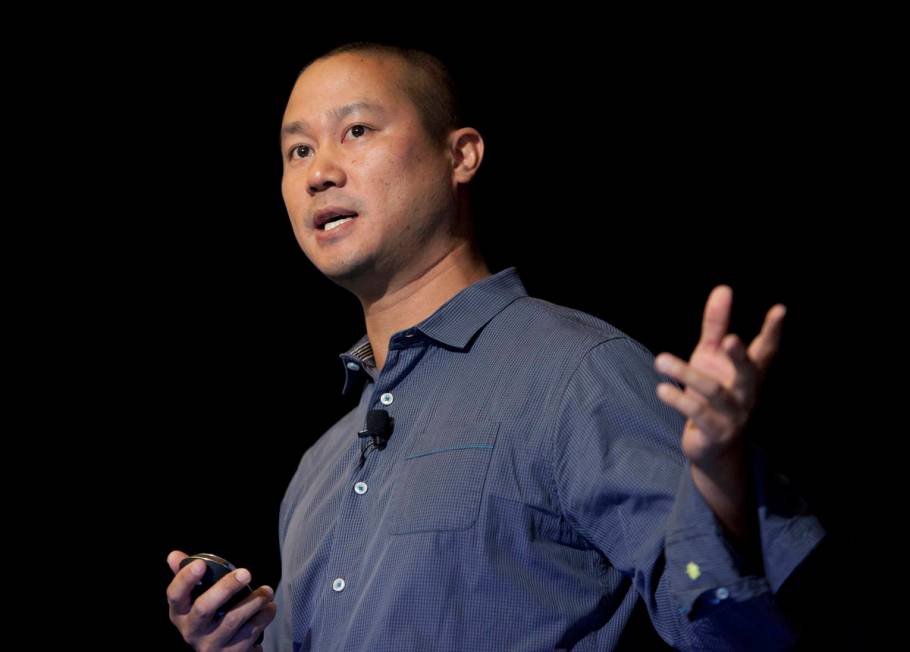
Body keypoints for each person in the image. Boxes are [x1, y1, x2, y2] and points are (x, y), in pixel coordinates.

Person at [166, 41, 826, 651]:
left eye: (356, 131)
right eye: (297, 151)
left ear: (461, 156)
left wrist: (720, 480)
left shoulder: (574, 371)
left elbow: (737, 634)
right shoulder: (320, 467)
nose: (319, 173)